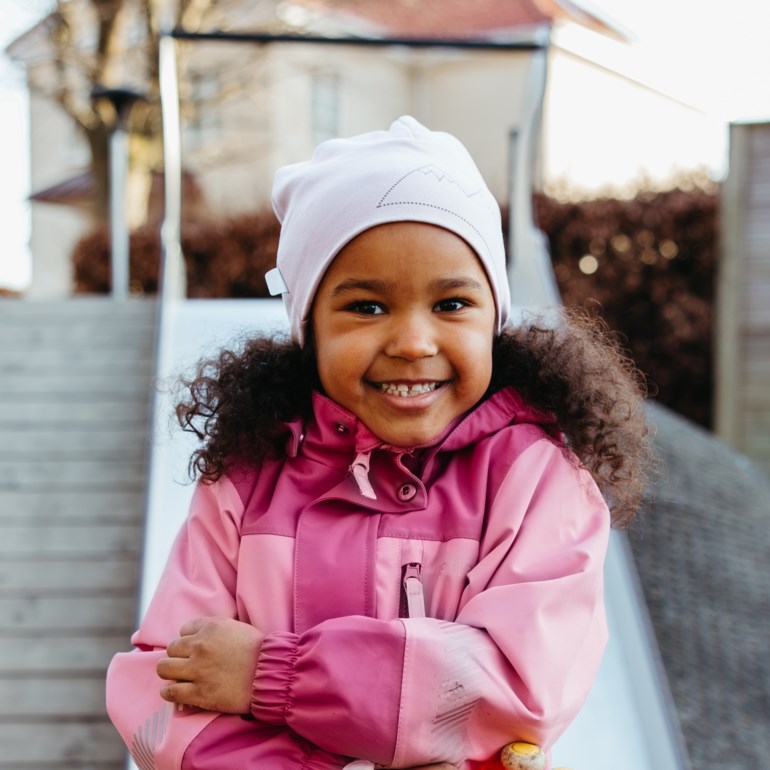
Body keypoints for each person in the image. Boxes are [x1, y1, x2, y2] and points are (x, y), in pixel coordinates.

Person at [106, 116, 655, 770]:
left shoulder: (534, 479)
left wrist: (269, 675)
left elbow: (521, 685)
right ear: (310, 325)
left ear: (495, 319)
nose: (414, 341)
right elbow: (157, 708)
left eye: (452, 304)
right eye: (367, 307)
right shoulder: (244, 482)